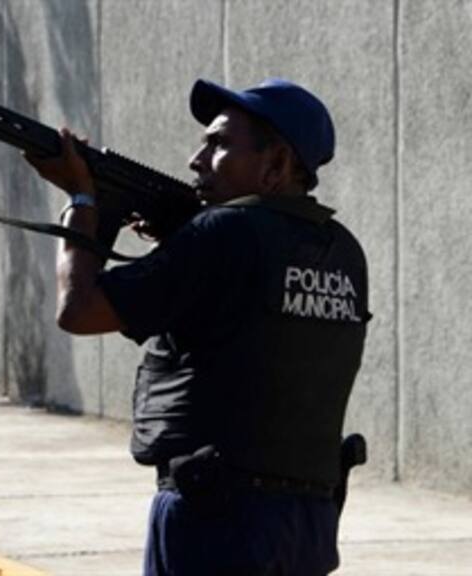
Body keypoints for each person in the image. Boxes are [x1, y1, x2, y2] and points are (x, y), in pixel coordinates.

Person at [25, 78, 370, 575]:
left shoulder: (222, 234)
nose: (196, 160)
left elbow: (80, 310)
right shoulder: (342, 249)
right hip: (308, 524)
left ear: (275, 165)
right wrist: (180, 240)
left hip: (216, 520)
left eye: (220, 144)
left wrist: (82, 200)